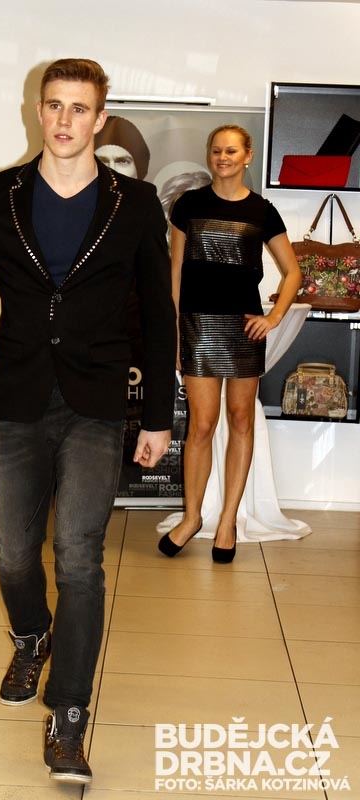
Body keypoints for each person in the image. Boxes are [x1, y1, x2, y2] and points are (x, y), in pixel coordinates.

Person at [0, 58, 176, 784]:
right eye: (54, 105)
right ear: (37, 111)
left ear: (100, 120)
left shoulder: (135, 203)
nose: (64, 120)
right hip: (17, 395)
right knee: (15, 556)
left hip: (96, 402)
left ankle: (69, 715)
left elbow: (158, 314)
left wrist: (156, 417)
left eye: (79, 108)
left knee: (77, 557)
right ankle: (31, 636)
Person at [157, 124, 302, 564]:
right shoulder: (188, 204)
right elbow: (174, 273)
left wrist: (273, 318)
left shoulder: (262, 210)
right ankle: (191, 518)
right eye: (217, 150)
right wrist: (175, 332)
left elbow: (293, 272)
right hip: (198, 326)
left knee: (241, 421)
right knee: (201, 427)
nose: (223, 157)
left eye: (232, 151)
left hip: (243, 329)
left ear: (247, 156)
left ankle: (227, 523)